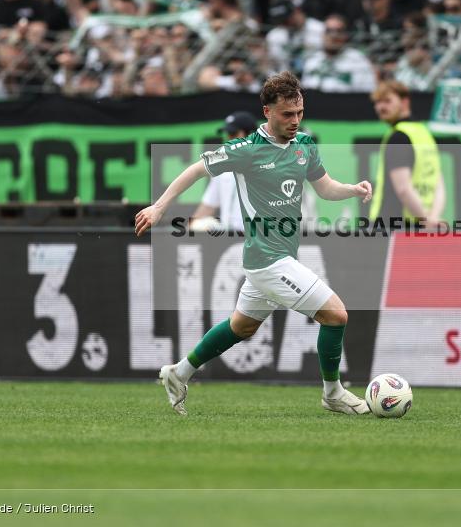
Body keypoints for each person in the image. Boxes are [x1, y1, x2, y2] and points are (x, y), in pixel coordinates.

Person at [135, 71, 373, 416]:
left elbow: (324, 188)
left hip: (279, 257)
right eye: (287, 114)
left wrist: (352, 189)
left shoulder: (305, 146)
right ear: (267, 112)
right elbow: (196, 170)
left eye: (300, 112)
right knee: (336, 315)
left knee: (242, 326)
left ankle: (179, 372)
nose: (295, 121)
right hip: (267, 260)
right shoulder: (246, 150)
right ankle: (332, 393)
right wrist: (159, 207)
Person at [369, 80, 445, 230]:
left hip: (390, 226)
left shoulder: (399, 136)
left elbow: (403, 188)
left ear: (404, 102)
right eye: (377, 102)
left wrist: (425, 219)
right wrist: (432, 218)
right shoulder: (425, 134)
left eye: (387, 101)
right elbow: (439, 184)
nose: (380, 107)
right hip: (420, 224)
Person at [190, 111, 258, 232]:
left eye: (233, 134)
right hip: (227, 241)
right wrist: (187, 230)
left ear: (250, 134)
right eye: (227, 134)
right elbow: (208, 206)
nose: (228, 139)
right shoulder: (221, 168)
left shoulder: (267, 163)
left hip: (259, 240)